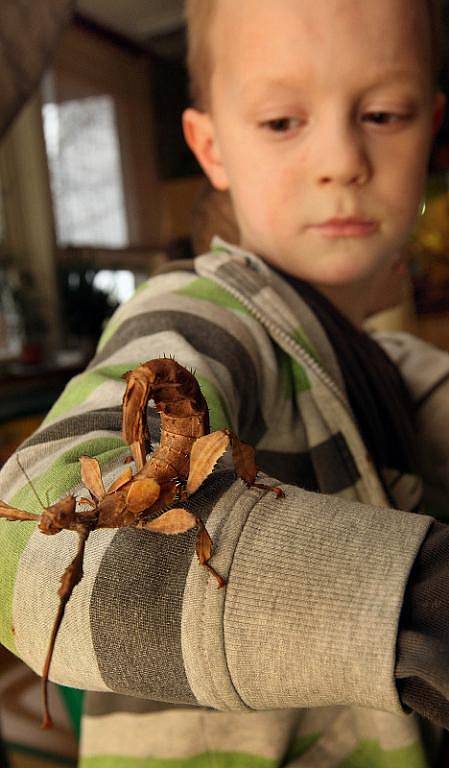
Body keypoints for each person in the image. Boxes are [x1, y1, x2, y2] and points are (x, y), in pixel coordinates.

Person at [1, 1, 449, 767]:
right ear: (210, 147)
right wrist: (425, 601)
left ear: (432, 126)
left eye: (381, 112)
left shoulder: (382, 356)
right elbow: (22, 563)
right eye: (281, 120)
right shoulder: (193, 310)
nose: (340, 158)